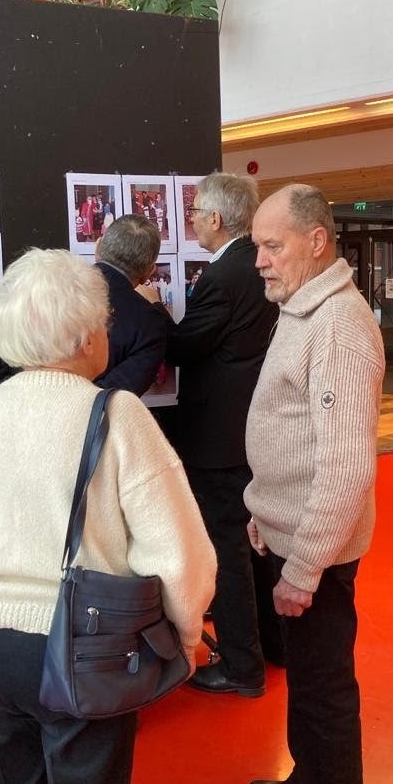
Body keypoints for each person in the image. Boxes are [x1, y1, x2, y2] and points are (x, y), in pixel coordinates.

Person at [0, 248, 216, 784]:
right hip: (77, 640)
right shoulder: (116, 413)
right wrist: (186, 638)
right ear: (85, 337)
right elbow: (178, 550)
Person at [243, 184, 385, 784]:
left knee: (324, 690)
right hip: (291, 536)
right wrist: (264, 508)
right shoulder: (302, 309)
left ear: (317, 241)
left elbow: (347, 467)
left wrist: (303, 569)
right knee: (305, 679)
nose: (260, 261)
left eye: (273, 246)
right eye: (258, 247)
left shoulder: (338, 327)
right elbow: (292, 435)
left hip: (316, 555)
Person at [150, 172, 279, 696]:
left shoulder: (223, 276)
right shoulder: (260, 264)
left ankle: (242, 667)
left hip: (220, 440)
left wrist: (154, 306)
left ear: (216, 218)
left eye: (195, 211)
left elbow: (185, 346)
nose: (192, 221)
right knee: (258, 545)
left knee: (227, 551)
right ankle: (273, 647)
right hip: (251, 429)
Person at [0, 215, 169, 396]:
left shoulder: (44, 281)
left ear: (98, 246)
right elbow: (112, 396)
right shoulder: (150, 325)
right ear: (149, 272)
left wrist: (6, 403)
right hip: (84, 424)